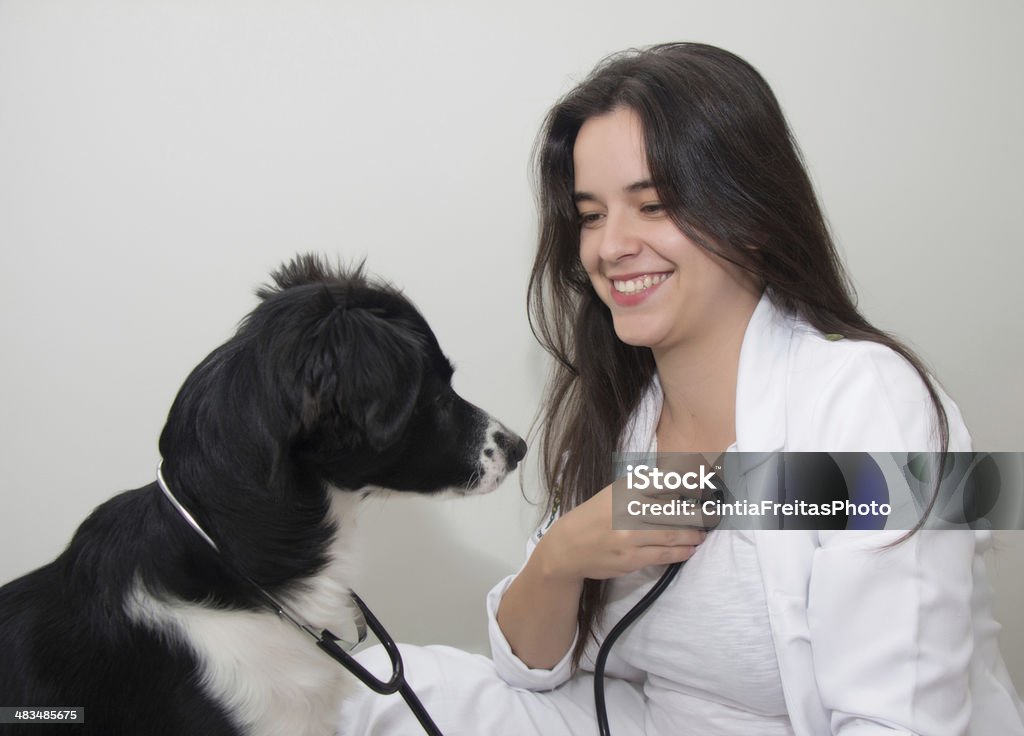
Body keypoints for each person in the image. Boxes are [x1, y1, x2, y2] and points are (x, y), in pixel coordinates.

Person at [338, 42, 1023, 735]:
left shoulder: (871, 399)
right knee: (378, 698)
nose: (610, 247)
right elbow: (529, 666)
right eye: (592, 214)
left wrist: (742, 490)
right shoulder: (630, 415)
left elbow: (897, 723)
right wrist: (560, 556)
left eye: (654, 204)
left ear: (752, 216)